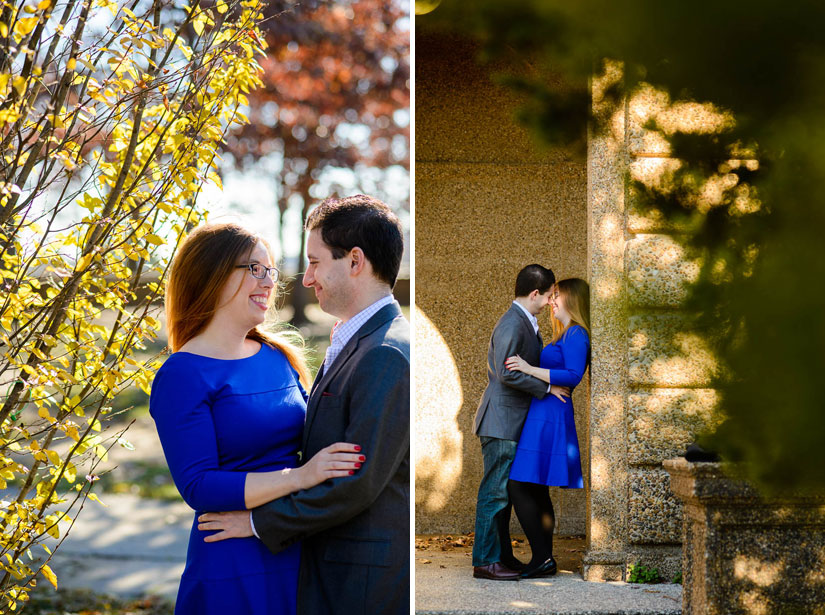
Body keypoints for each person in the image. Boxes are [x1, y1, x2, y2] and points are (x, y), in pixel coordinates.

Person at [196, 195, 410, 615]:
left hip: (359, 582)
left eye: (314, 262)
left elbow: (357, 481)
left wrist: (258, 522)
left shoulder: (386, 352)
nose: (307, 278)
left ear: (354, 261)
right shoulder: (359, 339)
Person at [149, 222, 364, 614]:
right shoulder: (182, 374)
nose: (269, 282)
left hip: (295, 544)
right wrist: (299, 477)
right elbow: (199, 486)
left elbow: (317, 438)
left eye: (271, 271)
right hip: (233, 561)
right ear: (210, 275)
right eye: (253, 269)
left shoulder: (277, 355)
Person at [470, 264, 571, 581]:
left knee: (504, 492)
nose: (552, 302)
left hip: (510, 421)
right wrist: (547, 388)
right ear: (535, 293)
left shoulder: (525, 321)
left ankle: (500, 557)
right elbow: (508, 373)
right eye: (550, 295)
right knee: (495, 493)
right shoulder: (513, 323)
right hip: (501, 421)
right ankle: (486, 561)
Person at [505, 277, 591, 578]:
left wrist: (529, 369)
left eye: (557, 296)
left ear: (572, 300)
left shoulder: (577, 334)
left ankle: (542, 558)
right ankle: (543, 559)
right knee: (535, 486)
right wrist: (545, 382)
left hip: (552, 415)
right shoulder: (562, 335)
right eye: (551, 295)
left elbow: (573, 375)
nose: (551, 301)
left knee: (520, 484)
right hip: (543, 411)